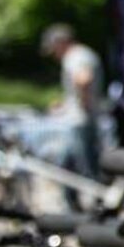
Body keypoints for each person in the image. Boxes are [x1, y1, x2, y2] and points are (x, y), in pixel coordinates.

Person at [40, 23, 104, 208]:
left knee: (83, 165)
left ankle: (93, 204)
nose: (54, 54)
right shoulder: (83, 54)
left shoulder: (75, 56)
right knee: (69, 164)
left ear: (61, 42)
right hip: (80, 117)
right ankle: (73, 204)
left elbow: (83, 79)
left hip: (80, 120)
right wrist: (67, 104)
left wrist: (82, 104)